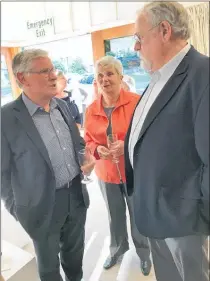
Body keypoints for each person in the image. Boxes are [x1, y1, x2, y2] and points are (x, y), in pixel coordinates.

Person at [124, 2, 209, 281]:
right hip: (153, 212)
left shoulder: (203, 75)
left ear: (164, 30)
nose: (135, 47)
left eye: (139, 38)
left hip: (182, 219)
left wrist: (199, 217)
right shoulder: (157, 76)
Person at [1, 49, 95, 281]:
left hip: (75, 196)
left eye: (53, 69)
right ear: (22, 78)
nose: (54, 75)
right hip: (39, 206)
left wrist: (88, 156)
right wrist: (17, 209)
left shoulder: (61, 106)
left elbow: (78, 142)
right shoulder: (6, 118)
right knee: (49, 268)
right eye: (45, 71)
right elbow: (2, 173)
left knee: (74, 257)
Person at [84, 56, 151, 275]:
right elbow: (88, 139)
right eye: (100, 75)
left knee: (138, 214)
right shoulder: (91, 109)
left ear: (121, 77)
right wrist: (97, 150)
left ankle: (143, 253)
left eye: (110, 74)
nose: (105, 79)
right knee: (114, 216)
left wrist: (127, 144)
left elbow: (149, 134)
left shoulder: (136, 101)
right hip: (107, 173)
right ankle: (117, 250)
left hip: (134, 171)